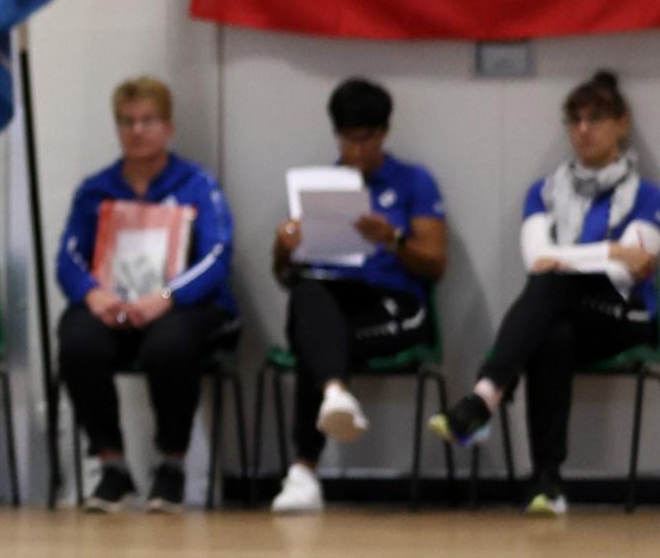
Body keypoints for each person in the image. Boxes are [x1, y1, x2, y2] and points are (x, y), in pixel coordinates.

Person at [433, 71, 658, 516]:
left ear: (622, 123)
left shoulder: (646, 195)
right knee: (552, 331)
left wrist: (590, 257)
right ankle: (547, 482)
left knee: (552, 285)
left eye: (595, 118)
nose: (583, 130)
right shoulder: (545, 192)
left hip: (624, 316)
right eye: (575, 120)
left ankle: (483, 398)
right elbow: (537, 258)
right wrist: (609, 250)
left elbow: (625, 270)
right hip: (566, 313)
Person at [55, 76, 235, 513]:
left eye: (148, 120)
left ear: (168, 127)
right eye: (127, 121)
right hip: (115, 306)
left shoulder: (197, 184)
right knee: (77, 338)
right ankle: (111, 465)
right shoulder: (96, 189)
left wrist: (166, 297)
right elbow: (68, 258)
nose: (137, 130)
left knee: (169, 345)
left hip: (181, 307)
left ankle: (171, 465)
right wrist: (93, 295)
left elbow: (217, 255)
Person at [268, 78, 447, 516]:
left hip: (394, 305)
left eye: (364, 139)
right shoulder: (320, 187)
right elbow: (284, 277)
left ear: (382, 133)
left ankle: (303, 472)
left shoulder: (413, 181)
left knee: (317, 345)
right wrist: (283, 247)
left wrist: (393, 238)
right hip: (335, 297)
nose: (355, 150)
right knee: (308, 297)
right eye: (346, 139)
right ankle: (335, 394)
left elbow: (436, 264)